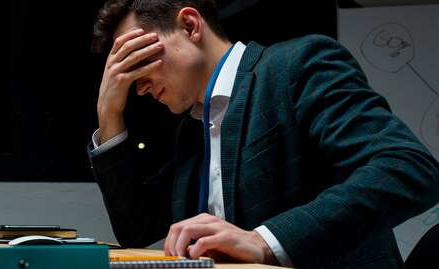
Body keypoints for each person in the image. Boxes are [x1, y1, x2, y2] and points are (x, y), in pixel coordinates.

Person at [85, 0, 439, 268]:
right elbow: (137, 227)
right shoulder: (193, 131)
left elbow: (408, 168)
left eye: (136, 59)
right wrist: (109, 112)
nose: (138, 87)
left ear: (190, 25)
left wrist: (264, 241)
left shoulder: (295, 65)